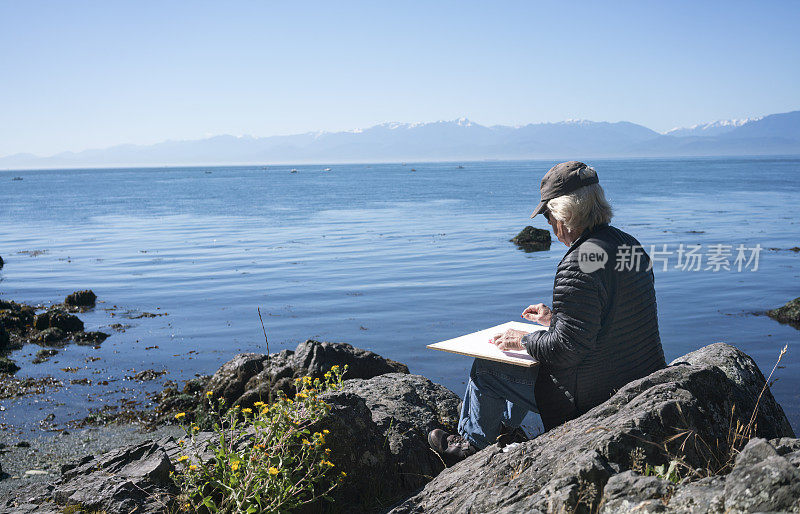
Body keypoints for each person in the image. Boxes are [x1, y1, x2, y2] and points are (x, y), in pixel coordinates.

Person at [428, 161, 666, 464]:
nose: (550, 227)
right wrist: (554, 319)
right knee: (530, 357)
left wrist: (523, 341)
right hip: (635, 375)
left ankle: (469, 450)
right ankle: (508, 431)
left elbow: (566, 349)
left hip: (591, 396)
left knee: (486, 370)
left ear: (565, 213)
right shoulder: (627, 245)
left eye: (548, 216)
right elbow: (611, 317)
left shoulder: (578, 261)